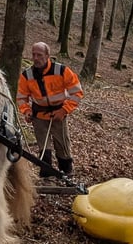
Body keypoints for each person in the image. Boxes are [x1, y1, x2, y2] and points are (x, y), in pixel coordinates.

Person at [17, 42, 84, 177]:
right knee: (44, 148)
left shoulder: (62, 71)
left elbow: (77, 92)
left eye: (39, 55)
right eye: (34, 55)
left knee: (62, 145)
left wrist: (64, 110)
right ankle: (46, 175)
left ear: (47, 56)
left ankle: (66, 173)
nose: (36, 58)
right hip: (39, 116)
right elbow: (21, 97)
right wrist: (27, 111)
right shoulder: (27, 75)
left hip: (58, 114)